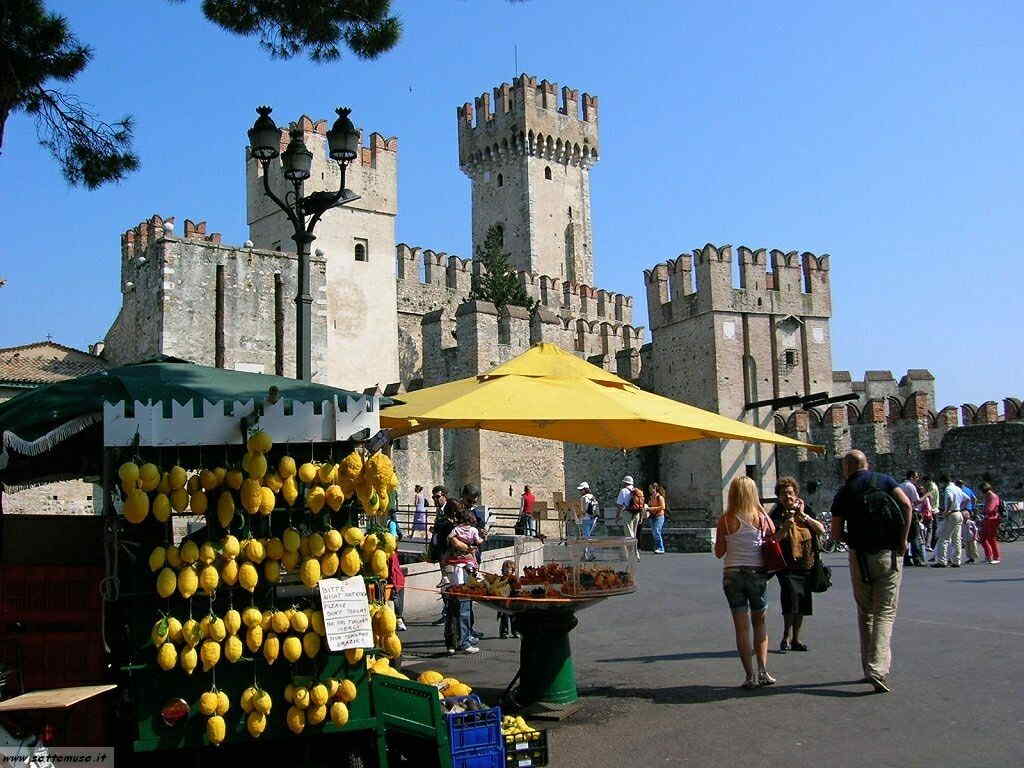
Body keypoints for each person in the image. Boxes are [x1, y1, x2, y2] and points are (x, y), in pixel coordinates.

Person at [830, 450, 911, 693]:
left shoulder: (844, 491)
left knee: (865, 612)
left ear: (846, 468)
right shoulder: (885, 480)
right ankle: (878, 669)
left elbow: (834, 534)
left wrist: (853, 541)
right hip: (888, 553)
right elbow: (906, 505)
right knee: (885, 612)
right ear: (868, 464)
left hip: (860, 557)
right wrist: (902, 540)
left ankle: (869, 667)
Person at [714, 475, 777, 689]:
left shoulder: (725, 519)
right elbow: (774, 533)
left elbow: (719, 553)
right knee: (760, 624)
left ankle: (749, 676)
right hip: (756, 574)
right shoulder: (762, 518)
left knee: (741, 628)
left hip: (732, 574)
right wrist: (759, 506)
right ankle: (763, 671)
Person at [770, 476, 825, 653]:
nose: (787, 497)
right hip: (786, 566)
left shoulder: (805, 509)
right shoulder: (776, 514)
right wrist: (785, 527)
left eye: (790, 493)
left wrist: (805, 517)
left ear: (796, 493)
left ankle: (796, 639)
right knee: (790, 599)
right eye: (783, 494)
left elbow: (821, 529)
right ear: (779, 497)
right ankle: (786, 635)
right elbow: (773, 540)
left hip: (806, 564)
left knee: (802, 603)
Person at [445, 507, 486, 655]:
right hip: (466, 565)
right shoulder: (473, 531)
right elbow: (479, 542)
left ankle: (452, 643)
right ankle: (464, 642)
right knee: (464, 605)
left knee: (452, 607)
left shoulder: (454, 529)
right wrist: (481, 539)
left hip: (454, 566)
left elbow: (449, 539)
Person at [932, 475, 965, 568]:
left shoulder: (948, 489)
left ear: (943, 481)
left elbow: (950, 499)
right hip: (958, 513)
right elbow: (967, 499)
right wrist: (961, 508)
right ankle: (956, 560)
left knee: (943, 538)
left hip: (951, 515)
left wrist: (947, 511)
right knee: (956, 539)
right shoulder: (958, 488)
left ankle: (942, 561)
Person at [897, 471, 926, 566]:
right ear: (912, 477)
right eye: (917, 477)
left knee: (905, 536)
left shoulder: (900, 486)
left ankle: (906, 558)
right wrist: (926, 495)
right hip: (911, 512)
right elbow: (916, 501)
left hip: (901, 512)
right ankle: (917, 559)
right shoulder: (910, 486)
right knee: (915, 537)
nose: (917, 479)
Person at [615, 475, 644, 561]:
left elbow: (620, 505)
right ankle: (636, 554)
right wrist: (641, 517)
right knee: (634, 535)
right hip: (637, 514)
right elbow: (641, 506)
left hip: (627, 513)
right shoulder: (637, 491)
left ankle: (631, 555)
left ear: (625, 482)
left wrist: (617, 516)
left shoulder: (623, 491)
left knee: (629, 536)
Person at [956, 480, 981, 564]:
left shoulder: (959, 490)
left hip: (962, 510)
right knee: (969, 525)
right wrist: (973, 507)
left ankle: (963, 538)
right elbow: (974, 498)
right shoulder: (968, 489)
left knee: (964, 526)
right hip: (969, 510)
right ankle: (971, 555)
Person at [979, 482, 1001, 564]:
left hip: (992, 519)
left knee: (991, 538)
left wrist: (984, 510)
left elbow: (990, 509)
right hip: (988, 519)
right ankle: (989, 556)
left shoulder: (992, 496)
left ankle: (996, 557)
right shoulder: (989, 495)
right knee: (983, 538)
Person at [497, 560, 519, 639]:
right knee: (504, 617)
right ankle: (504, 632)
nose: (505, 571)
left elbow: (516, 590)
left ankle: (515, 631)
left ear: (512, 571)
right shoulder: (500, 579)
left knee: (514, 618)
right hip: (503, 602)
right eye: (503, 570)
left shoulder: (514, 579)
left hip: (512, 602)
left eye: (507, 570)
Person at [388, 549, 407, 632]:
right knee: (398, 600)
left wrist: (393, 584)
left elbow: (392, 570)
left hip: (396, 581)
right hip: (398, 580)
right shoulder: (392, 553)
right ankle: (399, 619)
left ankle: (399, 620)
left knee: (396, 600)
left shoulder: (390, 555)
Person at [647, 482, 667, 554]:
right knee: (654, 532)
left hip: (659, 516)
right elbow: (649, 505)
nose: (649, 489)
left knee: (657, 531)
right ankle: (657, 547)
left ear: (654, 488)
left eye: (650, 488)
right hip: (652, 517)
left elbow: (663, 507)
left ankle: (661, 548)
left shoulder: (660, 497)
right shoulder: (651, 497)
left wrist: (651, 508)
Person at [921, 475, 940, 547]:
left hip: (933, 509)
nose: (923, 484)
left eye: (924, 482)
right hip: (932, 509)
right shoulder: (931, 485)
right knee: (931, 527)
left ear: (927, 481)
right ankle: (931, 543)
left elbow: (929, 495)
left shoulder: (932, 486)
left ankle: (932, 544)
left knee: (931, 527)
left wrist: (922, 497)